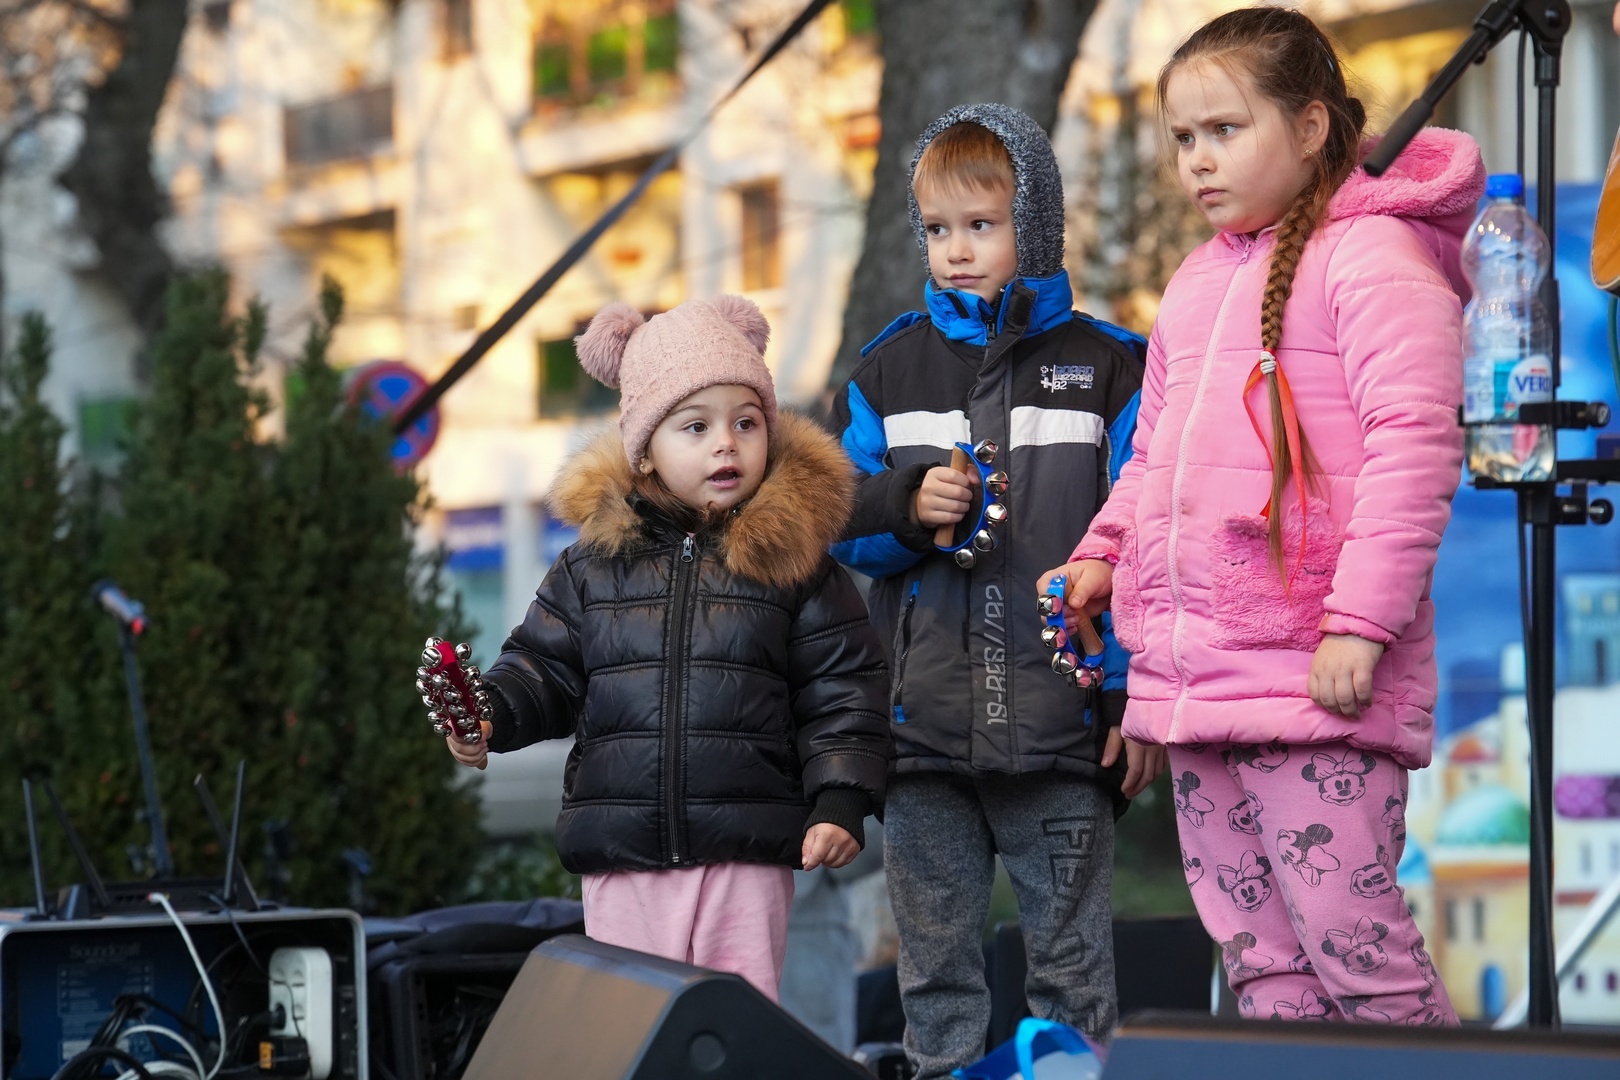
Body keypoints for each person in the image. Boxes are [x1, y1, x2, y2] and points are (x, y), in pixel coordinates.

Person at [1045, 7, 1484, 1025]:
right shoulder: (1197, 281)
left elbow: (1415, 452)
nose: (1198, 160)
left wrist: (1357, 626)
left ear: (1312, 125)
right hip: (1201, 688)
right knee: (1264, 971)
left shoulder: (1375, 260)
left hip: (1313, 679)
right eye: (1183, 137)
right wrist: (1103, 553)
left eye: (1225, 130)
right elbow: (1152, 457)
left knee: (1360, 960)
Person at [434, 296, 893, 1002]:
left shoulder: (795, 563)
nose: (726, 444)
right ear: (644, 449)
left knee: (733, 1025)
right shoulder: (591, 568)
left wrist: (840, 798)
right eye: (696, 426)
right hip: (623, 855)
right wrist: (492, 711)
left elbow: (845, 687)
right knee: (631, 1024)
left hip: (744, 850)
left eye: (746, 422)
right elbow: (543, 667)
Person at [829, 103, 1161, 1075]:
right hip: (922, 738)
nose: (958, 250)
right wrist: (904, 506)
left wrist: (1129, 695)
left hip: (1062, 729)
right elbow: (838, 520)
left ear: (1039, 226)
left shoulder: (1110, 367)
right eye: (937, 230)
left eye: (982, 224)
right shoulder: (887, 370)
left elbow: (1146, 544)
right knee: (935, 975)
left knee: (1071, 971)